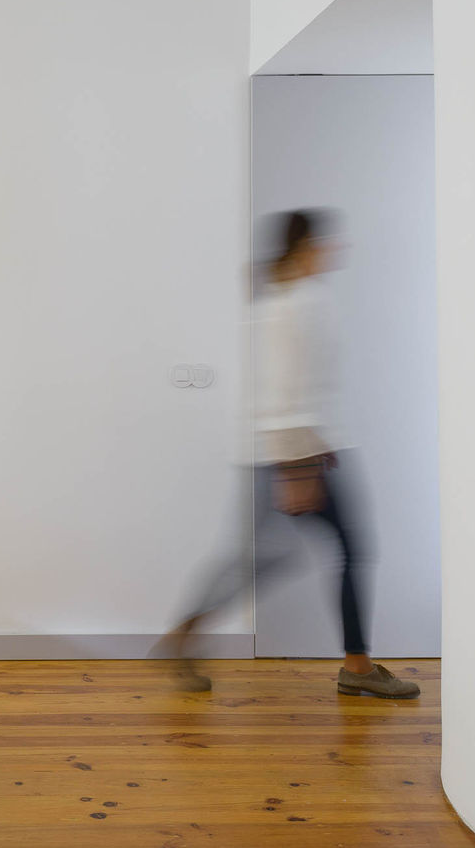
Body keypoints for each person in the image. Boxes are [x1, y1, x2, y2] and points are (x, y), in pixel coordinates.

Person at [160, 209, 419, 699]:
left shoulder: (275, 301)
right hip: (289, 454)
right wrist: (299, 466)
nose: (334, 250)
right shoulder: (299, 303)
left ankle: (186, 633)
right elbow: (285, 392)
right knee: (347, 548)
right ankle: (357, 666)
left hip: (288, 449)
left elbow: (296, 391)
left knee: (264, 555)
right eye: (326, 242)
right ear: (305, 247)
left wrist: (313, 446)